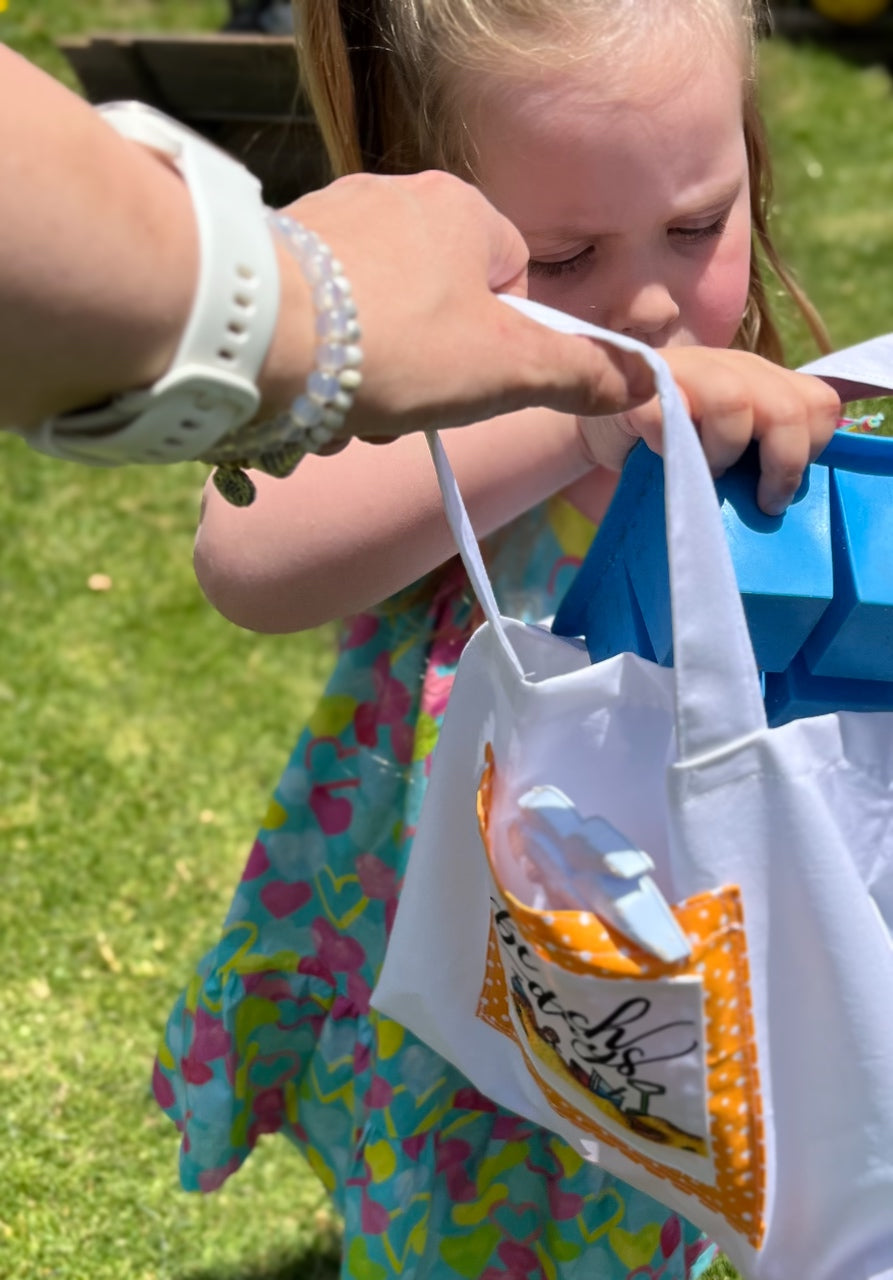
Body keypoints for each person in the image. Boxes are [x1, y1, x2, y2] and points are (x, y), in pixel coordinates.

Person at [153, 3, 840, 1278]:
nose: (646, 302)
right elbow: (248, 559)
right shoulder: (447, 418)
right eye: (564, 256)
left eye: (695, 225)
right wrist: (584, 417)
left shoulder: (770, 422)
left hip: (698, 980)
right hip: (486, 976)